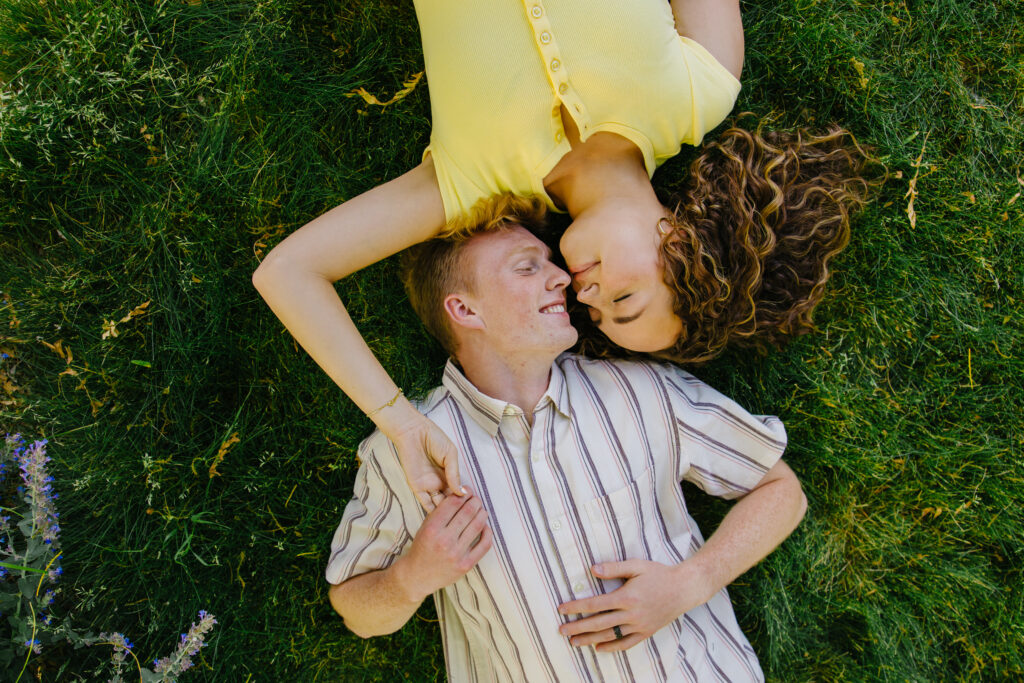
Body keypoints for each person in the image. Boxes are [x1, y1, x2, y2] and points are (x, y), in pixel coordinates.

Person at [252, 1, 871, 505]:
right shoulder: (702, 88)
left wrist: (403, 424)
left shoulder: (471, 185)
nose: (586, 297)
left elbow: (289, 272)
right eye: (623, 300)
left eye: (596, 316)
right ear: (681, 239)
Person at [325, 215, 807, 681]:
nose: (561, 278)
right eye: (527, 266)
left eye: (551, 263)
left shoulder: (641, 390)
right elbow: (357, 612)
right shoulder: (408, 453)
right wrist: (412, 576)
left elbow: (782, 490)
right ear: (466, 310)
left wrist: (690, 584)